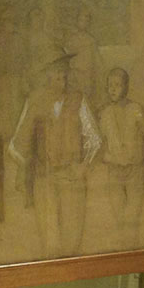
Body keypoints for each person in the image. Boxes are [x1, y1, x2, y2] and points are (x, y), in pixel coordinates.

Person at [7, 49, 101, 257]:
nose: (62, 76)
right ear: (47, 74)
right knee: (50, 245)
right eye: (57, 71)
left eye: (64, 71)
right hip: (45, 178)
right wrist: (29, 167)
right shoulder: (35, 100)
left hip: (73, 178)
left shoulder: (77, 99)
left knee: (72, 241)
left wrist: (83, 166)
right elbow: (17, 145)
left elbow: (94, 139)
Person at [98, 67, 144, 248]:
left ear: (126, 87)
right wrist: (108, 157)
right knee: (119, 218)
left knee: (132, 217)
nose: (112, 89)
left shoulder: (135, 109)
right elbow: (99, 145)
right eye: (110, 85)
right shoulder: (104, 114)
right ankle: (124, 252)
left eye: (117, 85)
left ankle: (131, 251)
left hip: (136, 171)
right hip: (115, 172)